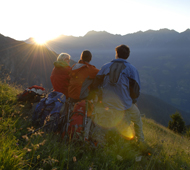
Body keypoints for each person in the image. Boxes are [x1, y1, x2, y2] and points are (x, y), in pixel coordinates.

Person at [91, 44, 144, 143]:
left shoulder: (105, 67)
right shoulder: (132, 69)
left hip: (106, 102)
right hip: (125, 104)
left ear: (116, 54)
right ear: (127, 55)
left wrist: (100, 97)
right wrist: (133, 101)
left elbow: (95, 85)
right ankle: (140, 140)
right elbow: (136, 90)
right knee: (137, 119)